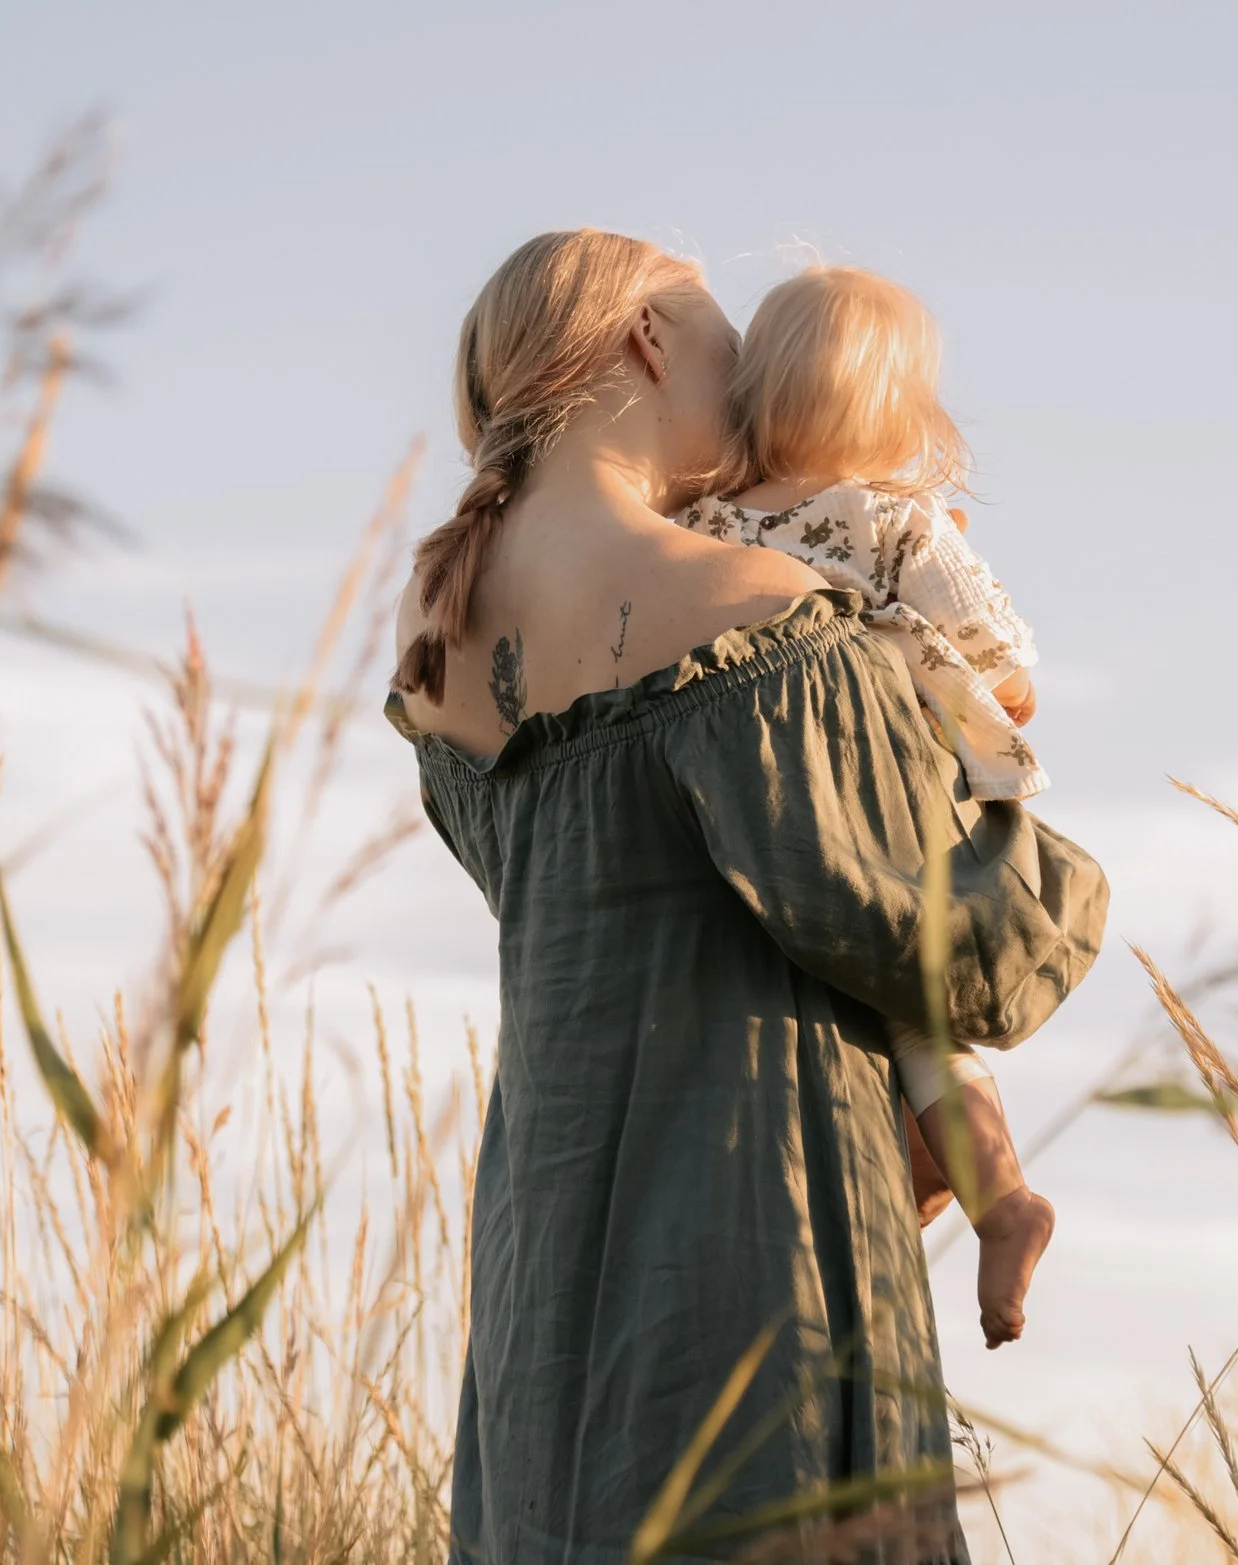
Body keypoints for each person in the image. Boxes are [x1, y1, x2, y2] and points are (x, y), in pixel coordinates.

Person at [388, 229, 1104, 1561]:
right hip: (759, 1228)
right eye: (724, 340)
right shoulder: (756, 605)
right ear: (651, 342)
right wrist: (1040, 861)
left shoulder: (438, 657)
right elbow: (953, 943)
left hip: (545, 1263)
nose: (751, 379)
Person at [672, 264, 1055, 1350]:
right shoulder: (896, 524)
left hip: (748, 824)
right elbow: (1005, 664)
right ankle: (999, 1196)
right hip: (891, 805)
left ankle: (921, 1173)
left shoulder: (693, 523)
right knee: (918, 1018)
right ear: (901, 413)